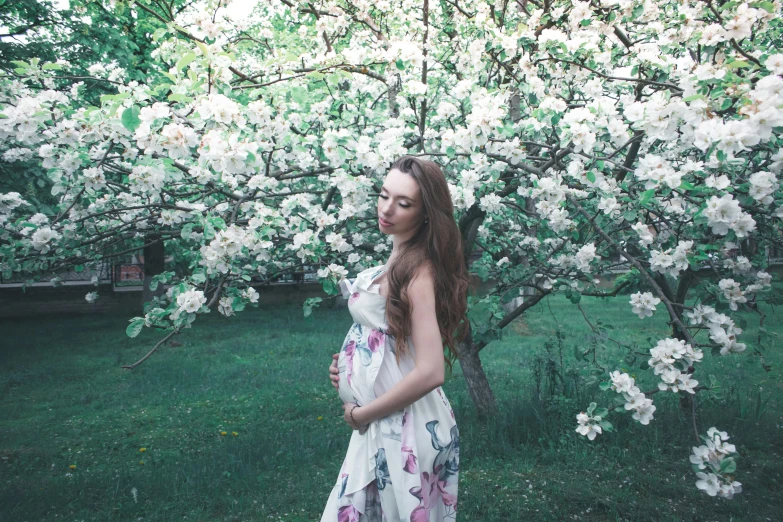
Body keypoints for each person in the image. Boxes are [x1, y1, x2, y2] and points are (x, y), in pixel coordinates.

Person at [320, 156, 470, 521]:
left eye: (403, 203)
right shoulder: (397, 259)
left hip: (405, 427)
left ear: (426, 214)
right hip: (383, 422)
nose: (387, 209)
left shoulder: (418, 273)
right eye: (384, 195)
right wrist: (350, 369)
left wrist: (361, 413)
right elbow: (384, 339)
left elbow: (432, 370)